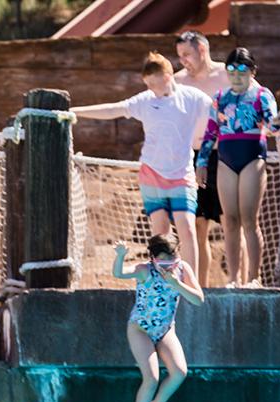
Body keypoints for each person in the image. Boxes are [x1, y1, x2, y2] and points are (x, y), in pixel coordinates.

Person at [72, 52, 211, 274]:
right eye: (148, 85)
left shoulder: (193, 98)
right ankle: (162, 279)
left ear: (168, 76)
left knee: (187, 228)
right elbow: (114, 109)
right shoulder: (145, 101)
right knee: (160, 231)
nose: (152, 90)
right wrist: (75, 112)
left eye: (155, 84)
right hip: (152, 174)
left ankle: (189, 281)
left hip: (181, 174)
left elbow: (218, 113)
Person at [112, 233, 204, 402]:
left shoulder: (182, 270)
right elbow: (118, 273)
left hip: (165, 330)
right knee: (151, 378)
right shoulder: (145, 270)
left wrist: (176, 282)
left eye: (172, 261)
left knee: (180, 372)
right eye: (163, 263)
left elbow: (198, 299)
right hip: (140, 329)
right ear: (153, 258)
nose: (169, 267)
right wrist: (121, 256)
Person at [196, 47, 280, 287]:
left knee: (249, 220)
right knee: (229, 220)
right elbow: (211, 131)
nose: (236, 75)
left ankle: (254, 277)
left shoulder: (262, 95)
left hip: (252, 158)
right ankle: (233, 278)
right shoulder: (221, 98)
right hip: (225, 161)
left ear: (252, 71)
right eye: (231, 70)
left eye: (242, 70)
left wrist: (279, 122)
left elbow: (272, 126)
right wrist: (201, 162)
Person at [175, 30, 230, 287]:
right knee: (198, 224)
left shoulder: (227, 74)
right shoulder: (177, 81)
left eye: (186, 54)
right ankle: (201, 286)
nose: (183, 60)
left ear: (202, 50)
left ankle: (240, 281)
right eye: (179, 56)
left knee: (231, 221)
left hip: (225, 153)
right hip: (191, 157)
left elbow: (254, 100)